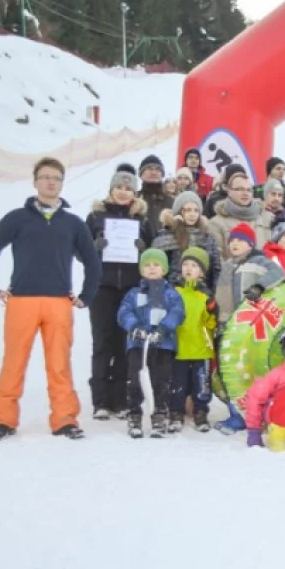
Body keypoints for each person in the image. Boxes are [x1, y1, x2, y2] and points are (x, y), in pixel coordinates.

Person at [0, 157, 102, 441]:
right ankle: (3, 419)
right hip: (22, 301)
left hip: (58, 302)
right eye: (45, 177)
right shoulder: (17, 218)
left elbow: (92, 261)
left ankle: (64, 420)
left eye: (56, 178)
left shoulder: (72, 223)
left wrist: (86, 295)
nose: (51, 182)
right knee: (14, 362)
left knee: (59, 365)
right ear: (35, 181)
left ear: (62, 183)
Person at [85, 168, 153, 420]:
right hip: (102, 287)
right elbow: (79, 252)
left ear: (135, 193)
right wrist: (94, 247)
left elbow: (153, 256)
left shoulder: (142, 220)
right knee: (103, 342)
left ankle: (120, 398)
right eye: (119, 188)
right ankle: (100, 400)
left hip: (131, 290)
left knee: (126, 342)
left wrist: (143, 249)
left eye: (129, 189)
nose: (124, 192)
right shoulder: (95, 217)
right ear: (111, 190)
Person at [116, 249, 186, 439]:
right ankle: (135, 414)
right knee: (135, 379)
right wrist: (135, 327)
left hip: (163, 345)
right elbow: (124, 312)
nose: (152, 269)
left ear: (163, 269)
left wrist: (163, 329)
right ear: (141, 270)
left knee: (161, 380)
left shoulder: (171, 294)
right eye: (147, 265)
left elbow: (177, 312)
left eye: (156, 265)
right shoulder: (134, 293)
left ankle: (159, 413)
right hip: (138, 345)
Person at [169, 246, 217, 434]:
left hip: (201, 348)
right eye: (185, 264)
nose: (189, 268)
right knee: (177, 383)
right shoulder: (173, 292)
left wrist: (213, 312)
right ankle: (176, 412)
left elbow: (210, 324)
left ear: (202, 272)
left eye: (194, 265)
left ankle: (201, 412)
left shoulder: (206, 295)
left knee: (201, 384)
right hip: (179, 347)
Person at [213, 223, 285, 324]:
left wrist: (259, 287)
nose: (235, 243)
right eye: (232, 241)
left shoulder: (259, 260)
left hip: (252, 317)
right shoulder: (226, 266)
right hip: (227, 320)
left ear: (251, 244)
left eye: (240, 240)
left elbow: (278, 273)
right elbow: (220, 293)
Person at [153, 191, 220, 289]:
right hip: (173, 290)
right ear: (179, 211)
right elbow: (157, 264)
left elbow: (215, 268)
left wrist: (213, 292)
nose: (192, 214)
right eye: (188, 210)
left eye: (196, 210)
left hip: (201, 292)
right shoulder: (166, 235)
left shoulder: (207, 237)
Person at [208, 166, 273, 255]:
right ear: (229, 191)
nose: (245, 193)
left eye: (249, 190)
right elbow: (217, 260)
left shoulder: (269, 218)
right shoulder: (215, 223)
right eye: (240, 189)